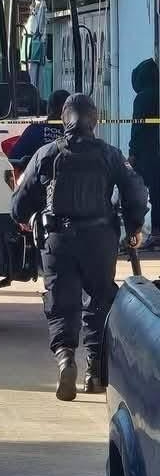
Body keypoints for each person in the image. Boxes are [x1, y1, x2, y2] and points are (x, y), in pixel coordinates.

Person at [10, 93, 148, 401]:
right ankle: (95, 373)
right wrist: (135, 227)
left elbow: (20, 201)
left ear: (63, 120)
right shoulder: (110, 155)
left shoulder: (46, 154)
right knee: (99, 300)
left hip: (57, 241)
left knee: (61, 302)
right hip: (99, 240)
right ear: (95, 123)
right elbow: (135, 189)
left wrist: (21, 218)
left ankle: (65, 358)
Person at [128, 58, 160, 249]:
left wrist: (132, 152)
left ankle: (138, 231)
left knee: (135, 190)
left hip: (149, 155)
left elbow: (137, 128)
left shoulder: (142, 97)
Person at [8, 89, 71, 168]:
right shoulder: (77, 135)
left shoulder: (34, 130)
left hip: (36, 178)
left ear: (48, 109)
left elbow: (13, 158)